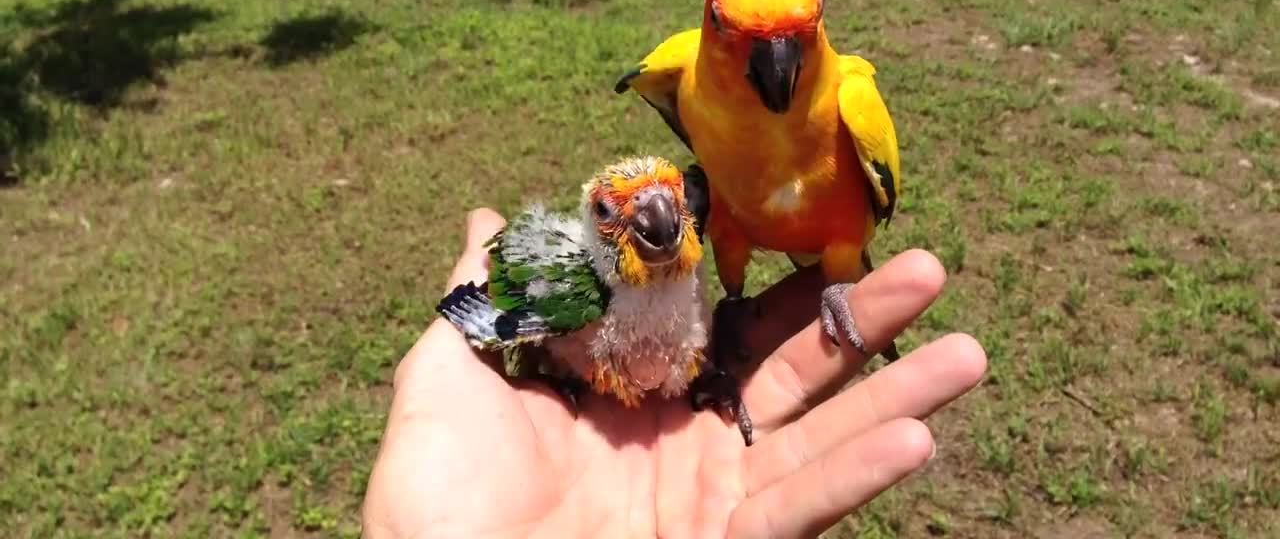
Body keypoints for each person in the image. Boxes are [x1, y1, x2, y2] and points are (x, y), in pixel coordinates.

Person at [362, 208, 987, 539]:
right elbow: (482, 314)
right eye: (616, 213)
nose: (658, 222)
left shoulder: (688, 289)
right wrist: (485, 322)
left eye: (675, 208)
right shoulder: (574, 289)